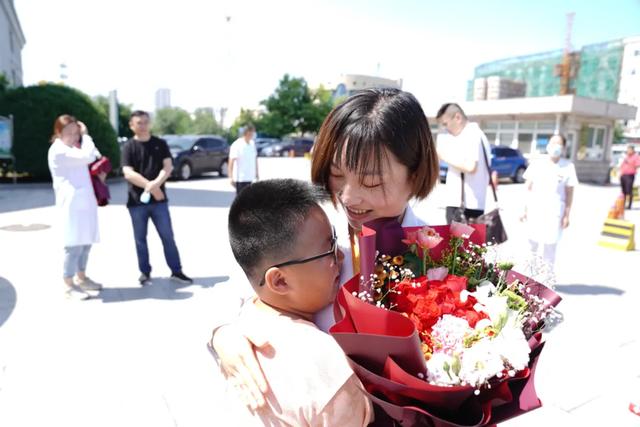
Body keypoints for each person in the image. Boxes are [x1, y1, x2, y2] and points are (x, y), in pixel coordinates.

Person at [209, 88, 439, 410]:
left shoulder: (441, 252)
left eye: (371, 182)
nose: (348, 197)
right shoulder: (312, 228)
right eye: (336, 175)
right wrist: (223, 334)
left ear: (414, 176)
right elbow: (236, 284)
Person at [224, 179, 372, 425]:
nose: (341, 255)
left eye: (335, 240)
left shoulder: (241, 326)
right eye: (329, 250)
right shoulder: (325, 368)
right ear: (279, 281)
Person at [121, 110, 192, 285]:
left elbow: (167, 167)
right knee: (140, 239)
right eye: (139, 123)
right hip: (136, 202)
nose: (143, 125)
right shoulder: (129, 147)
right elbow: (128, 173)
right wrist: (151, 187)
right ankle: (145, 272)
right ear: (132, 126)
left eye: (146, 122)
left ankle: (177, 271)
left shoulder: (160, 143)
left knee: (167, 236)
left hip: (160, 202)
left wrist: (156, 185)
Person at [47, 115, 103, 300]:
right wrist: (86, 136)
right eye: (68, 133)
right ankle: (68, 284)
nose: (74, 136)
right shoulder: (59, 151)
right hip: (70, 205)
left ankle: (82, 277)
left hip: (85, 202)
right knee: (73, 245)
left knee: (86, 243)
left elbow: (94, 155)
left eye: (76, 133)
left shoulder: (73, 148)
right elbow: (90, 155)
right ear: (58, 133)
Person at [521, 134, 577, 268]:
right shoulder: (537, 163)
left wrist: (567, 216)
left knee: (550, 247)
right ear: (547, 145)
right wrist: (523, 210)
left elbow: (569, 193)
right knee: (531, 245)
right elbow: (527, 188)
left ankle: (546, 281)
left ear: (563, 148)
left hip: (555, 212)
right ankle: (527, 278)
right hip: (536, 209)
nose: (555, 147)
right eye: (552, 143)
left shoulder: (568, 167)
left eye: (558, 144)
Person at [435, 103, 492, 224]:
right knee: (470, 242)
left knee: (457, 243)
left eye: (446, 124)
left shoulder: (471, 134)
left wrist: (442, 155)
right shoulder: (478, 134)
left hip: (463, 206)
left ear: (457, 118)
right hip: (471, 204)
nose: (446, 129)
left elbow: (471, 166)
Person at [229, 124, 258, 195]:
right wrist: (231, 177)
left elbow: (255, 159)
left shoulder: (252, 144)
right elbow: (231, 161)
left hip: (251, 178)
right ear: (246, 133)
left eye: (253, 132)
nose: (252, 135)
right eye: (250, 133)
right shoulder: (237, 144)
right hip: (240, 179)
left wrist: (257, 174)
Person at [620, 144, 640, 209]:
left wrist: (629, 162)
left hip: (630, 175)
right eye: (627, 149)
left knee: (629, 190)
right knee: (623, 191)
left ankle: (629, 205)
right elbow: (622, 165)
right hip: (623, 174)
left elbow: (637, 165)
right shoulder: (626, 156)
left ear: (633, 150)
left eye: (629, 149)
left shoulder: (636, 156)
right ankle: (623, 204)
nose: (628, 151)